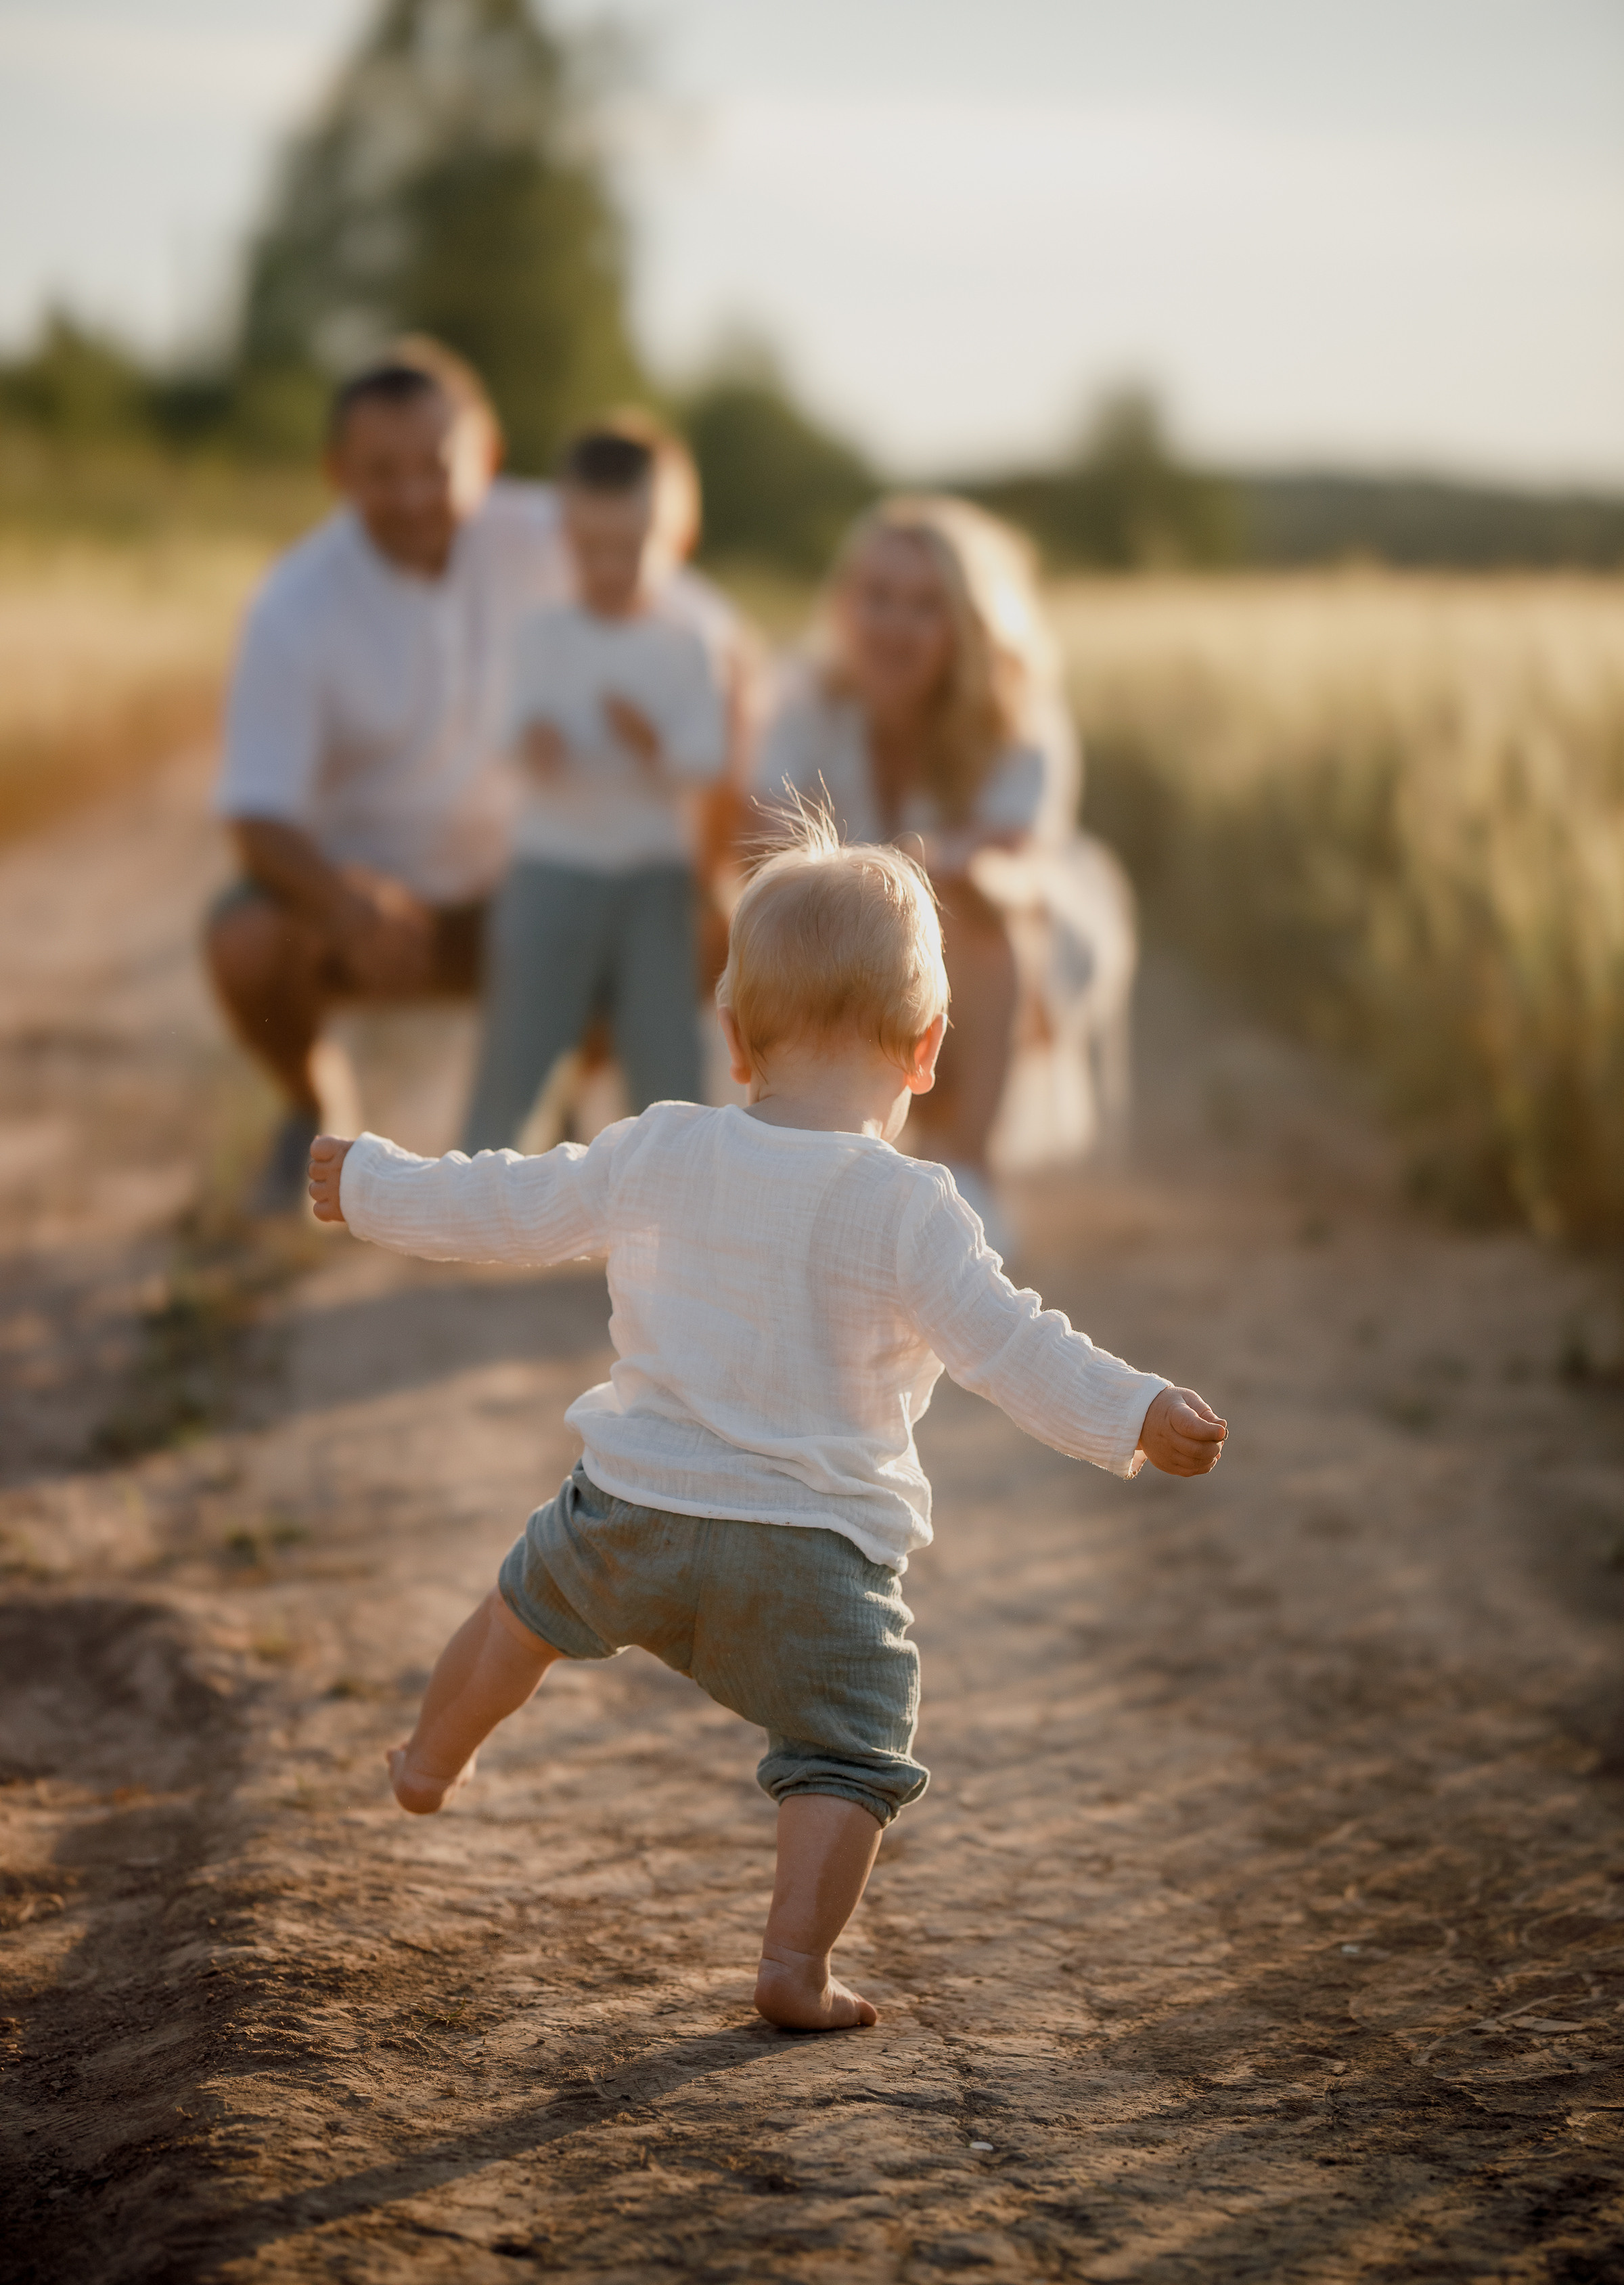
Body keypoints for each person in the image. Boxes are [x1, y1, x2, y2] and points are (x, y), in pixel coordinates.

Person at [305, 816, 1227, 2032]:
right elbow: (1015, 1346)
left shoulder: (662, 1148)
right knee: (853, 1748)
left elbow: (508, 1204)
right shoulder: (915, 1210)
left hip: (628, 1516)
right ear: (929, 1052)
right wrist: (1135, 1411)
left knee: (523, 1604)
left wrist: (366, 1182)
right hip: (813, 1560)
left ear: (734, 1043)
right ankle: (794, 1965)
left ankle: (428, 1761)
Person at [206, 344, 738, 1212]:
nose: (414, 494)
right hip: (370, 911)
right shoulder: (293, 602)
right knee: (244, 939)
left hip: (537, 887)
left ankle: (565, 1083)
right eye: (382, 472)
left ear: (486, 457)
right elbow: (256, 814)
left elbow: (722, 644)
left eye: (436, 466)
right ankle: (310, 1103)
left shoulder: (559, 533)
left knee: (700, 920)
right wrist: (342, 903)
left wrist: (710, 841)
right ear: (337, 472)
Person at [752, 496, 1131, 1250]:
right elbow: (761, 835)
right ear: (845, 603)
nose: (894, 625)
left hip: (1007, 923)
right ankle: (800, 1161)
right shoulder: (801, 695)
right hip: (837, 920)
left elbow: (1009, 853)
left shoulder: (1018, 714)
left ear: (968, 623)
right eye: (878, 597)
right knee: (791, 909)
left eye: (926, 605)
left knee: (970, 898)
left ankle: (968, 1166)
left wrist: (905, 869)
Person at [459, 426, 729, 1154]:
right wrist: (530, 742)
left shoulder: (686, 641)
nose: (608, 567)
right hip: (551, 858)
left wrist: (655, 745)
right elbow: (498, 730)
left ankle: (682, 1186)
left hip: (652, 868)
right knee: (525, 1030)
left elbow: (706, 758)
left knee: (663, 1036)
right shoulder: (541, 632)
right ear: (565, 540)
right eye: (589, 547)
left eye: (630, 548)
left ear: (675, 537)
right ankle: (495, 1175)